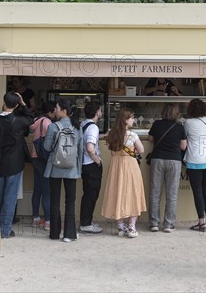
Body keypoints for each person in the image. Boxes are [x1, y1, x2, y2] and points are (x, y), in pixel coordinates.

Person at [0, 92, 33, 238]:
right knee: (10, 197)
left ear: (3, 102)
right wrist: (24, 104)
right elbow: (30, 119)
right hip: (14, 163)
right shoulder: (17, 121)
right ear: (17, 105)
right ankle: (5, 230)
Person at [101, 108, 146, 238]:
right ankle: (132, 227)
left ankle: (120, 227)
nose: (133, 120)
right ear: (126, 120)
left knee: (117, 193)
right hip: (130, 165)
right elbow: (141, 150)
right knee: (133, 194)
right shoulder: (132, 135)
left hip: (116, 166)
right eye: (131, 118)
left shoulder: (112, 134)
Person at [43, 99, 83, 242]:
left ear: (64, 111)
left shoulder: (53, 127)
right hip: (72, 169)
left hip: (55, 168)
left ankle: (54, 233)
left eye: (57, 108)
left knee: (55, 200)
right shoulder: (77, 127)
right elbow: (81, 149)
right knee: (70, 201)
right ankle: (69, 234)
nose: (55, 111)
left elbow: (47, 147)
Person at [147, 103, 187, 233]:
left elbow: (150, 138)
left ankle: (154, 223)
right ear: (177, 113)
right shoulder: (179, 127)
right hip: (174, 161)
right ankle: (168, 224)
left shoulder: (156, 124)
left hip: (157, 159)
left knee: (155, 192)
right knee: (172, 194)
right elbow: (183, 147)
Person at [184, 98, 206, 232]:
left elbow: (184, 139)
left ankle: (201, 223)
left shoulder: (187, 122)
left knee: (197, 191)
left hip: (194, 160)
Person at [29, 101, 56, 231]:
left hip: (35, 157)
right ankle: (48, 221)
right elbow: (50, 143)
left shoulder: (36, 120)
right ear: (50, 111)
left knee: (37, 189)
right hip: (45, 159)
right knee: (47, 190)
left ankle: (35, 218)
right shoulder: (48, 123)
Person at [79, 100, 104, 234]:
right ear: (97, 112)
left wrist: (103, 136)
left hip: (83, 165)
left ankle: (85, 221)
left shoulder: (83, 124)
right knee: (91, 195)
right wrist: (98, 161)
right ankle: (86, 223)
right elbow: (90, 147)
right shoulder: (93, 127)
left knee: (87, 194)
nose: (101, 112)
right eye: (100, 110)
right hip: (91, 165)